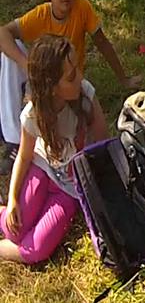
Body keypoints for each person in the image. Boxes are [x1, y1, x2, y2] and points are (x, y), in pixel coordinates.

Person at [0, 0, 139, 172]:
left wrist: (124, 78)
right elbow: (3, 33)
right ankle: (13, 139)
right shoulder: (41, 15)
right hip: (44, 80)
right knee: (9, 49)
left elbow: (102, 42)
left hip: (69, 81)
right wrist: (27, 64)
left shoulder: (82, 7)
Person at [0, 35, 108, 263]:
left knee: (35, 251)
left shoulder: (86, 95)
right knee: (13, 230)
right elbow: (24, 156)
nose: (79, 77)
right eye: (70, 77)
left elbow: (102, 145)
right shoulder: (33, 114)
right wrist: (12, 201)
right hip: (42, 170)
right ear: (50, 87)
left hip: (70, 188)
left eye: (77, 69)